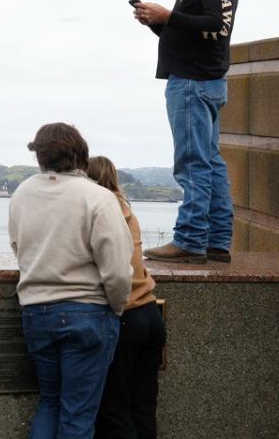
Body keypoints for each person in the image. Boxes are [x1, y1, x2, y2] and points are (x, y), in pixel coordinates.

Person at [9, 123, 133, 439]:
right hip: (88, 313)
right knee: (77, 416)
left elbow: (17, 248)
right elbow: (117, 270)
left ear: (40, 156)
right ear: (81, 154)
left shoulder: (22, 193)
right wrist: (116, 309)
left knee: (50, 403)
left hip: (36, 311)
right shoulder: (98, 197)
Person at [133, 0, 238, 264]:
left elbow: (217, 28)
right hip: (197, 80)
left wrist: (168, 15)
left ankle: (191, 240)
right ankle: (217, 242)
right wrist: (158, 22)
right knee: (210, 163)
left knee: (192, 164)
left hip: (194, 84)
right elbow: (186, 33)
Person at [87, 156, 166, 439]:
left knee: (114, 409)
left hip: (126, 317)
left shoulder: (98, 213)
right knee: (144, 406)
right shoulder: (127, 211)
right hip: (150, 312)